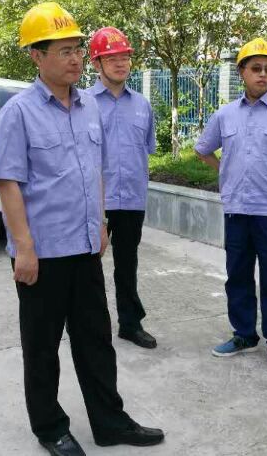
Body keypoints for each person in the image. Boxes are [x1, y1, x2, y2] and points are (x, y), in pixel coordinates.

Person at [0, 2, 164, 456]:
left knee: (96, 341)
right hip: (42, 253)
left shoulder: (89, 109)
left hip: (84, 247)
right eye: (64, 50)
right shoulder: (19, 112)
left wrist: (101, 222)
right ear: (37, 56)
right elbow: (8, 183)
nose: (76, 58)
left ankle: (110, 422)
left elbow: (96, 171)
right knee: (42, 347)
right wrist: (24, 248)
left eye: (78, 49)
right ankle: (50, 427)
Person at [195, 37, 267, 375]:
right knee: (238, 277)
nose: (263, 75)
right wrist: (225, 169)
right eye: (256, 68)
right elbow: (202, 149)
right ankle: (244, 334)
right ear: (242, 73)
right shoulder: (225, 115)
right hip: (237, 211)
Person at [86, 26, 158, 349]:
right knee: (88, 267)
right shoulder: (83, 103)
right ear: (96, 63)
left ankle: (130, 324)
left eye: (125, 57)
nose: (120, 63)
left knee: (127, 266)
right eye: (111, 58)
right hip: (92, 201)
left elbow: (147, 148)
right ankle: (90, 327)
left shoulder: (142, 105)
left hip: (131, 199)